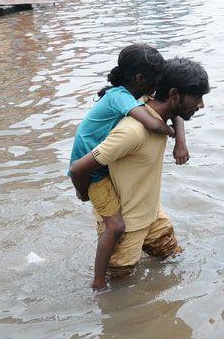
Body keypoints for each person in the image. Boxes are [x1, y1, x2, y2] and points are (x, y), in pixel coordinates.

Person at [70, 58, 210, 285]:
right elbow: (78, 168)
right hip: (127, 230)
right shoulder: (133, 131)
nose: (201, 105)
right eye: (197, 98)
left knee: (177, 261)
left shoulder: (155, 108)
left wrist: (180, 142)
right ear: (173, 95)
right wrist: (83, 193)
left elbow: (174, 114)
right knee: (120, 292)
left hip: (153, 216)